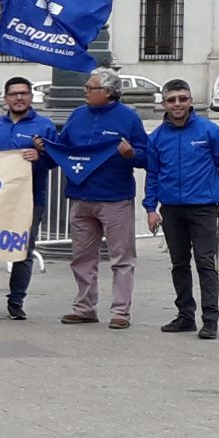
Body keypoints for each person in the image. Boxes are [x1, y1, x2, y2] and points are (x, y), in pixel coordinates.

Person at [55, 69, 150, 329]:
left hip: (115, 197)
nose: (85, 92)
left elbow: (147, 156)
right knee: (82, 257)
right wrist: (47, 148)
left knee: (122, 257)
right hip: (81, 196)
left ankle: (120, 311)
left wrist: (131, 154)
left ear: (108, 92)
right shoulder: (77, 115)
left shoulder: (129, 118)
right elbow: (63, 146)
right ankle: (84, 307)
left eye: (90, 88)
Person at [145, 79, 219, 340]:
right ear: (164, 103)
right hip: (171, 208)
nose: (177, 104)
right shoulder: (157, 137)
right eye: (172, 99)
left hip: (203, 207)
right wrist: (151, 208)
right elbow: (153, 174)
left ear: (190, 101)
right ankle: (185, 315)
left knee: (206, 263)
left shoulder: (210, 131)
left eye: (182, 99)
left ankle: (210, 319)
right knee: (179, 264)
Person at [0, 76, 58, 319]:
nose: (19, 98)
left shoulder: (45, 125)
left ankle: (16, 302)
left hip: (29, 199)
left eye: (24, 93)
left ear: (30, 96)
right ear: (5, 98)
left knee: (23, 251)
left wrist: (41, 157)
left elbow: (56, 161)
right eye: (14, 93)